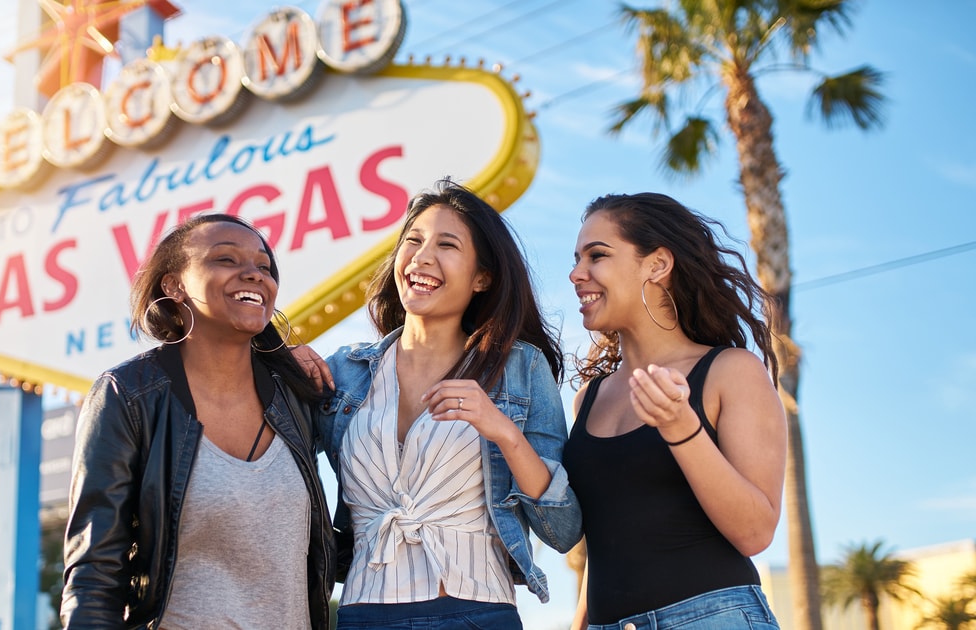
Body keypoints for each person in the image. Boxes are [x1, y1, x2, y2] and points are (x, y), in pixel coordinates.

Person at [311, 179, 584, 629]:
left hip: (475, 612)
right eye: (413, 241)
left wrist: (504, 432)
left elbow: (563, 529)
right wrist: (281, 354)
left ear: (482, 277)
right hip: (363, 613)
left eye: (447, 244)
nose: (422, 257)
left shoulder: (520, 368)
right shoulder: (345, 371)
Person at [60, 214, 335, 630]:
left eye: (264, 266)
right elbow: (95, 569)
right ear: (174, 285)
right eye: (225, 259)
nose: (253, 274)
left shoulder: (297, 396)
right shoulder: (128, 395)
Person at [562, 192, 786, 629]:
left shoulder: (729, 371)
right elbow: (611, 534)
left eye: (597, 255)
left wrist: (681, 427)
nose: (576, 274)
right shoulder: (588, 399)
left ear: (657, 265)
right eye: (576, 258)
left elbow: (756, 531)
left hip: (711, 617)